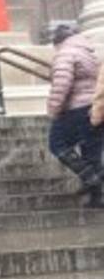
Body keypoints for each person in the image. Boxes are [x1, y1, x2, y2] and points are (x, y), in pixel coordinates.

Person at [47, 23, 103, 208]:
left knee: (57, 144)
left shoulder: (65, 53)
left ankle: (91, 178)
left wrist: (53, 109)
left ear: (58, 41)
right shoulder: (88, 53)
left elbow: (61, 85)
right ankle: (98, 197)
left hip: (75, 109)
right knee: (91, 151)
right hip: (94, 107)